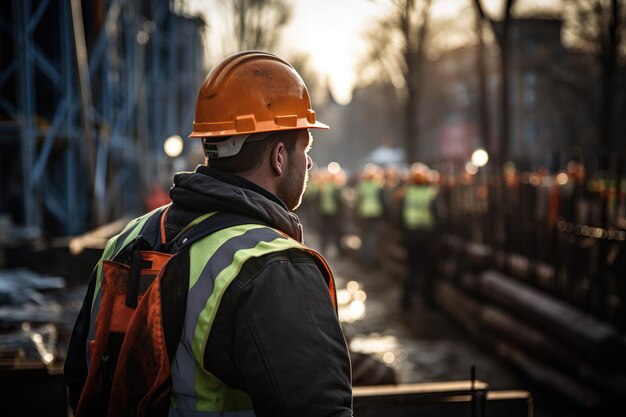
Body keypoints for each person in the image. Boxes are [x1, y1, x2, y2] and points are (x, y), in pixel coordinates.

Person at [65, 51, 353, 417]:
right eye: (304, 148)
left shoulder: (123, 241)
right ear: (279, 156)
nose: (309, 161)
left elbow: (80, 382)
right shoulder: (273, 268)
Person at [398, 163, 439, 310]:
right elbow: (439, 217)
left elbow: (399, 216)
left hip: (411, 235)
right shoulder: (431, 194)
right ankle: (428, 299)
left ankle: (406, 299)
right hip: (426, 236)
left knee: (411, 267)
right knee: (428, 269)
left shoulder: (406, 194)